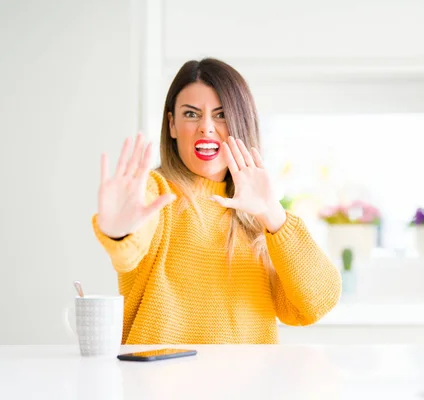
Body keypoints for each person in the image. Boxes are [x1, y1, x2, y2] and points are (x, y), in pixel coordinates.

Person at [92, 58, 342, 344]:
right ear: (172, 125)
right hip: (158, 384)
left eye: (221, 115)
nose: (206, 127)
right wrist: (120, 232)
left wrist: (273, 215)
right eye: (191, 114)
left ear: (240, 123)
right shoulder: (154, 192)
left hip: (248, 387)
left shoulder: (261, 217)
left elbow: (316, 304)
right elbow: (129, 252)